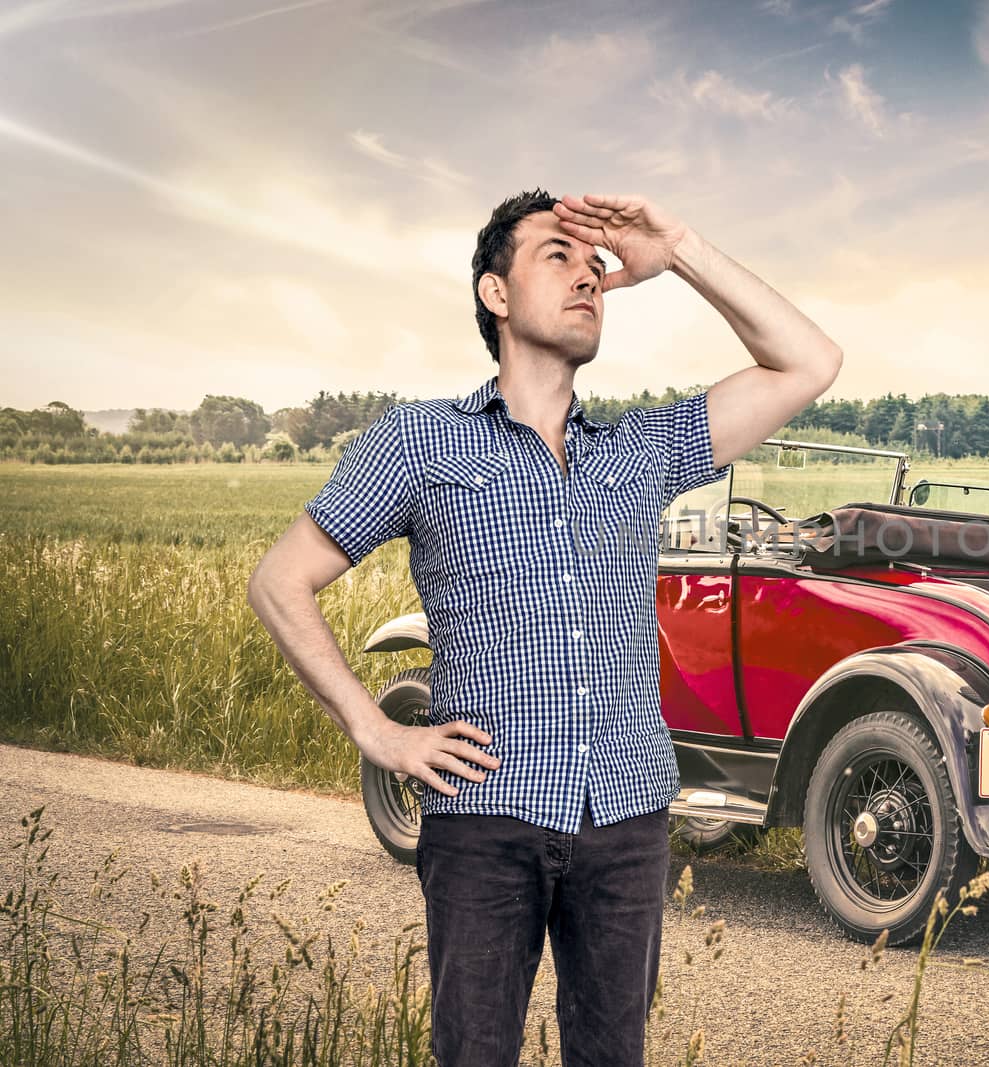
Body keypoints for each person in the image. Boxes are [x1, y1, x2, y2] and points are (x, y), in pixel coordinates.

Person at [247, 188, 842, 1066]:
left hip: (627, 821)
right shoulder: (420, 443)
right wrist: (377, 730)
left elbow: (810, 362)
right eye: (556, 257)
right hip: (486, 818)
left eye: (594, 263)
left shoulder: (639, 450)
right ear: (495, 295)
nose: (589, 276)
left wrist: (676, 249)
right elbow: (279, 582)